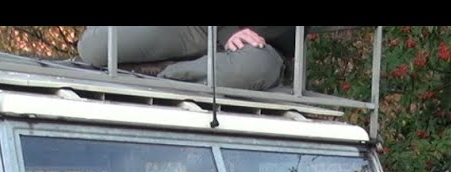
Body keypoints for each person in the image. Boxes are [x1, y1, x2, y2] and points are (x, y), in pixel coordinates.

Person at [77, 26, 296, 91]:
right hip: (201, 30)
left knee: (253, 68)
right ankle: (166, 66)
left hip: (260, 49)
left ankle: (162, 71)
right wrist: (228, 31)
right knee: (96, 47)